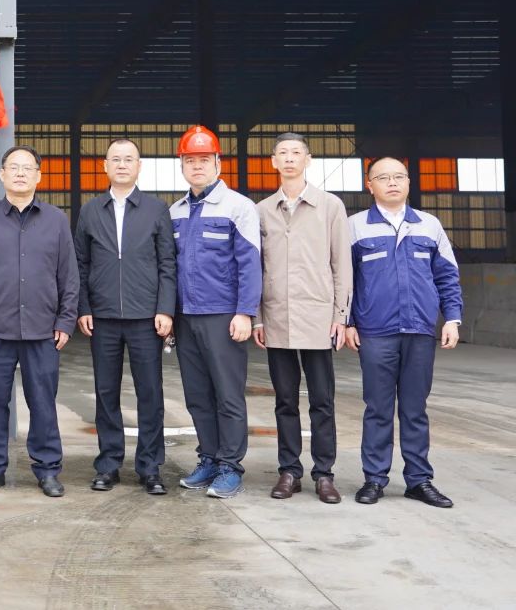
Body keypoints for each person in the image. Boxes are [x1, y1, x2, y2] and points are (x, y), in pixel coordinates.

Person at [347, 157, 462, 508]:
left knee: (415, 409)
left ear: (409, 182)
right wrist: (347, 322)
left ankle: (419, 480)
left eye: (399, 177)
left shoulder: (429, 225)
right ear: (370, 185)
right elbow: (344, 280)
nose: (393, 183)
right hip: (375, 331)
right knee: (377, 408)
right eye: (384, 177)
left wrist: (452, 319)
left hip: (419, 330)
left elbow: (447, 275)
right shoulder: (355, 227)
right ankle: (374, 479)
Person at [0, 146, 77, 498]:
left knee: (43, 403)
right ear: (2, 174)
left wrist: (65, 322)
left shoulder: (56, 220)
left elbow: (69, 276)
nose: (20, 173)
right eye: (14, 167)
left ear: (39, 175)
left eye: (28, 168)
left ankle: (48, 470)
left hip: (43, 329)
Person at [74, 137, 176, 495]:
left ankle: (150, 467)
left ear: (138, 166)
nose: (121, 165)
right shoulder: (90, 211)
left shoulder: (155, 209)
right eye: (115, 159)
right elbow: (80, 264)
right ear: (104, 166)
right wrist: (84, 308)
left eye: (128, 159)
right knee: (106, 393)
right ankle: (108, 464)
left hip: (146, 317)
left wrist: (165, 308)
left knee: (150, 393)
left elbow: (167, 263)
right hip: (102, 317)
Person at [253, 133, 352, 504]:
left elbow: (342, 264)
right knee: (285, 400)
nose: (290, 158)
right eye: (283, 153)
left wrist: (340, 315)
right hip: (277, 317)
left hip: (318, 317)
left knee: (322, 401)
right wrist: (258, 317)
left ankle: (324, 474)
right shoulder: (262, 210)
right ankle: (289, 471)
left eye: (296, 152)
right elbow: (256, 268)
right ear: (273, 161)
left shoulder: (330, 206)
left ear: (308, 160)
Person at [169, 125, 262, 499]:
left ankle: (229, 466)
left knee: (227, 395)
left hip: (224, 316)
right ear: (182, 165)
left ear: (218, 163)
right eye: (190, 160)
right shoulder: (175, 212)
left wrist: (245, 312)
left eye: (204, 160)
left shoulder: (239, 207)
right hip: (186, 318)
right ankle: (208, 458)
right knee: (197, 396)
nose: (197, 166)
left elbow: (250, 263)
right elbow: (169, 268)